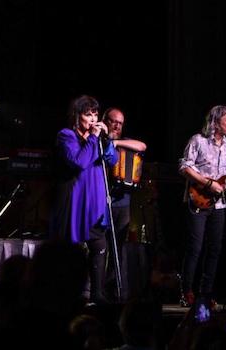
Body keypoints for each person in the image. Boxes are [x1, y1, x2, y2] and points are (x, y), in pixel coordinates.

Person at [178, 105, 226, 307]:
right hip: (198, 200)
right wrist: (207, 183)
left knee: (215, 249)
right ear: (216, 122)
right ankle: (186, 291)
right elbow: (184, 166)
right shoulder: (198, 141)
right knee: (195, 248)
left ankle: (205, 293)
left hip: (219, 205)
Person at [50, 95, 118, 304]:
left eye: (95, 114)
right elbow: (79, 161)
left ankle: (97, 293)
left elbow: (113, 160)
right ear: (77, 115)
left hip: (96, 200)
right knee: (73, 250)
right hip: (76, 202)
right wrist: (93, 138)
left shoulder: (97, 139)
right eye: (88, 114)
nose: (92, 118)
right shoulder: (66, 136)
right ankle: (70, 293)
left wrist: (106, 141)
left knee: (100, 245)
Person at [103, 107, 147, 300]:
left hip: (122, 202)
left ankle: (114, 291)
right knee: (99, 246)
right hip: (101, 202)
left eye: (120, 123)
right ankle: (94, 290)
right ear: (105, 120)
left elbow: (142, 146)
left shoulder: (123, 142)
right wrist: (109, 142)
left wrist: (117, 142)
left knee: (118, 248)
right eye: (114, 121)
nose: (117, 126)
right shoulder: (99, 141)